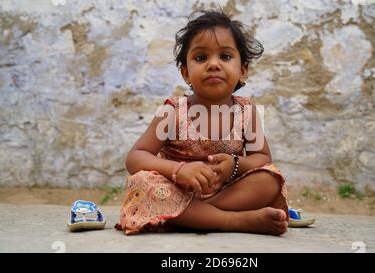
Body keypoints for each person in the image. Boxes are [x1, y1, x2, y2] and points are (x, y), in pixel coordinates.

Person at [115, 10, 289, 236]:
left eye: (225, 56)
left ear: (243, 71)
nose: (213, 64)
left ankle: (190, 217)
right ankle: (234, 221)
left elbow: (262, 158)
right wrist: (178, 170)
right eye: (201, 58)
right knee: (143, 181)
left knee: (270, 178)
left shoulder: (246, 112)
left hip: (224, 194)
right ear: (186, 73)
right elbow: (136, 157)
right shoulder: (173, 111)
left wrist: (235, 166)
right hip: (173, 190)